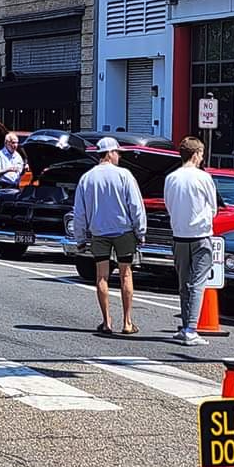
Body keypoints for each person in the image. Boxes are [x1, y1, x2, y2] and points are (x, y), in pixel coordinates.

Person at [72, 137, 147, 335]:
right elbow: (136, 206)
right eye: (118, 153)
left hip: (99, 233)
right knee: (126, 274)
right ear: (110, 153)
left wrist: (80, 238)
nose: (119, 156)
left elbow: (79, 212)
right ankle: (127, 322)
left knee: (101, 276)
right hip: (123, 231)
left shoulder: (87, 178)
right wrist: (141, 232)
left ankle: (106, 322)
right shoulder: (124, 175)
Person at [163, 136, 218, 347]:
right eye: (202, 154)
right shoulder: (203, 178)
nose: (202, 158)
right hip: (200, 235)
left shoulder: (171, 178)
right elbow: (212, 207)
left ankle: (186, 325)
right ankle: (191, 329)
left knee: (183, 283)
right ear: (196, 155)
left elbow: (168, 204)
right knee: (198, 284)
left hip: (179, 235)